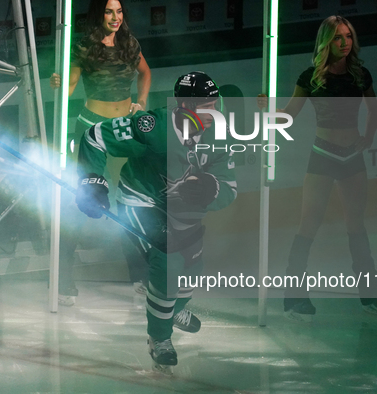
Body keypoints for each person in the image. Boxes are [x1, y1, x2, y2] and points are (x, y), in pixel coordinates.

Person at [74, 72, 237, 372]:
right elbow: (94, 137)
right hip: (141, 199)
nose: (213, 112)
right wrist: (93, 181)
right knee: (169, 261)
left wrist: (211, 189)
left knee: (194, 264)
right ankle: (159, 338)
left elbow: (230, 187)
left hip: (176, 207)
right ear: (185, 105)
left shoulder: (219, 135)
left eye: (215, 104)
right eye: (205, 105)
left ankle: (172, 310)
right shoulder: (153, 126)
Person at [279, 16, 377, 322]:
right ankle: (294, 297)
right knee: (308, 226)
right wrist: (266, 112)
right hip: (322, 154)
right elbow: (289, 114)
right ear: (326, 42)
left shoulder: (360, 74)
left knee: (356, 225)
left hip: (352, 157)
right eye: (338, 38)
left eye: (349, 37)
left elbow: (375, 110)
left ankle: (370, 293)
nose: (345, 42)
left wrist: (367, 137)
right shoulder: (310, 76)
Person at [50, 0, 152, 305]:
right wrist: (59, 85)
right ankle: (62, 279)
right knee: (82, 201)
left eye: (119, 12)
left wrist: (142, 102)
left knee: (129, 201)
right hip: (92, 129)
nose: (116, 17)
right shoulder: (84, 46)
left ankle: (141, 277)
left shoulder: (129, 43)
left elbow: (145, 73)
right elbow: (69, 88)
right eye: (110, 11)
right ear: (99, 14)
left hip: (123, 130)